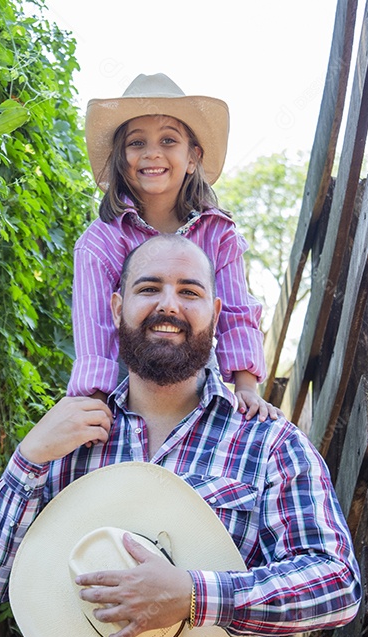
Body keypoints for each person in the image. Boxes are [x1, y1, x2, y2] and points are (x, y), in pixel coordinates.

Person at [0, 234, 361, 637]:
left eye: (189, 291)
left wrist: (195, 595)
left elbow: (336, 585)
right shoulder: (66, 440)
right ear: (118, 307)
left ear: (215, 313)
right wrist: (29, 458)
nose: (168, 305)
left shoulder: (269, 442)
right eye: (149, 288)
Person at [69, 73, 277, 421]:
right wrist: (96, 407)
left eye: (168, 140)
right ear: (121, 158)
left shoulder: (219, 234)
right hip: (122, 380)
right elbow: (95, 330)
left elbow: (237, 312)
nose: (152, 153)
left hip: (195, 372)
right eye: (137, 142)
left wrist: (245, 388)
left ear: (193, 157)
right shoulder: (100, 241)